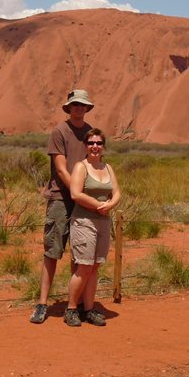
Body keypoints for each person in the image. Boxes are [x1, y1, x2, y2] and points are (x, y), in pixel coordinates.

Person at [29, 89, 94, 324]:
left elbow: (93, 164)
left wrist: (87, 196)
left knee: (80, 254)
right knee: (52, 252)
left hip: (82, 199)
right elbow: (60, 168)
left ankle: (74, 306)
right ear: (69, 108)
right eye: (75, 105)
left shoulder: (90, 133)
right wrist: (77, 193)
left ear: (86, 108)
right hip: (60, 198)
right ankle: (42, 304)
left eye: (82, 105)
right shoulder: (60, 131)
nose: (78, 108)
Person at [63, 128, 121, 327]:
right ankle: (71, 309)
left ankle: (89, 309)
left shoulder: (107, 167)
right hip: (84, 222)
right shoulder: (81, 167)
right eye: (91, 143)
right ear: (86, 146)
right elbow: (75, 194)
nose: (95, 146)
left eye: (98, 143)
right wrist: (99, 205)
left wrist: (110, 205)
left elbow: (117, 193)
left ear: (103, 146)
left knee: (95, 267)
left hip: (103, 221)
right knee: (84, 266)